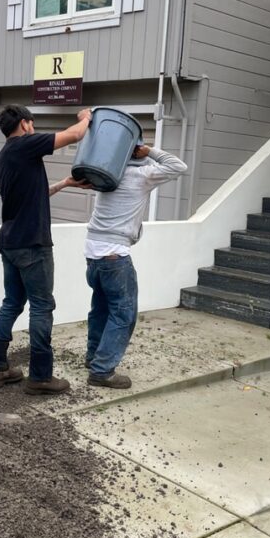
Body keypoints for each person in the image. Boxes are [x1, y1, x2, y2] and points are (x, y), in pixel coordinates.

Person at [0, 104, 92, 395]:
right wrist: (86, 118)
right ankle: (41, 377)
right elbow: (73, 135)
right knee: (42, 306)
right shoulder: (24, 144)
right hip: (32, 244)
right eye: (32, 123)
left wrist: (65, 183)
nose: (34, 127)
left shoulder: (8, 155)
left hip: (10, 242)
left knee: (12, 303)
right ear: (24, 123)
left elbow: (35, 193)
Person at [83, 141, 187, 388]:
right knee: (123, 313)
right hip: (114, 255)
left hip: (92, 251)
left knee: (100, 308)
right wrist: (150, 151)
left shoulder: (108, 175)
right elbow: (178, 166)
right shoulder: (143, 175)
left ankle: (93, 357)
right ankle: (102, 370)